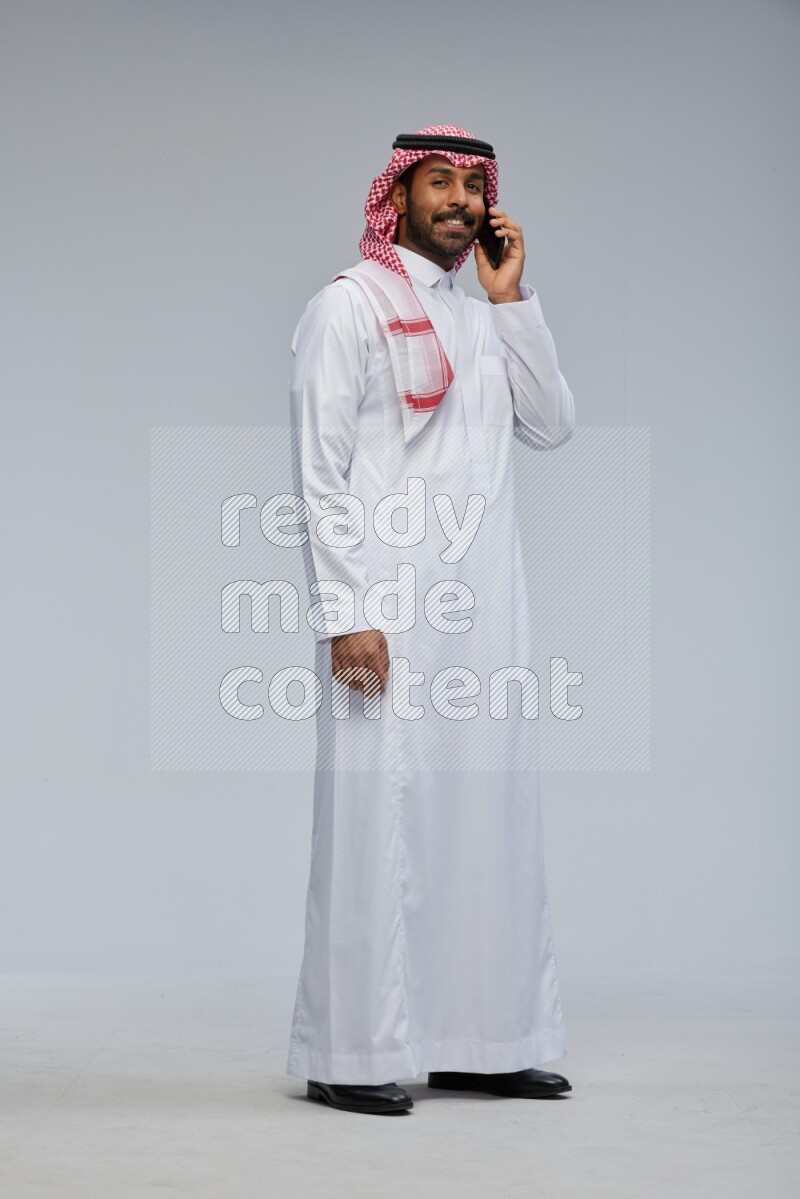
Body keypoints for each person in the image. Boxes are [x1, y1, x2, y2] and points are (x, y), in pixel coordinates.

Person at [286, 125, 576, 1115]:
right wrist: (344, 612)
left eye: (471, 185)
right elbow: (318, 475)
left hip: (484, 612)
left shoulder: (482, 316)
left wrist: (511, 303)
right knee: (377, 823)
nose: (455, 200)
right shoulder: (348, 305)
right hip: (386, 612)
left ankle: (482, 1039)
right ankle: (351, 1052)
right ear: (397, 196)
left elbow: (551, 422)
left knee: (486, 817)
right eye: (437, 182)